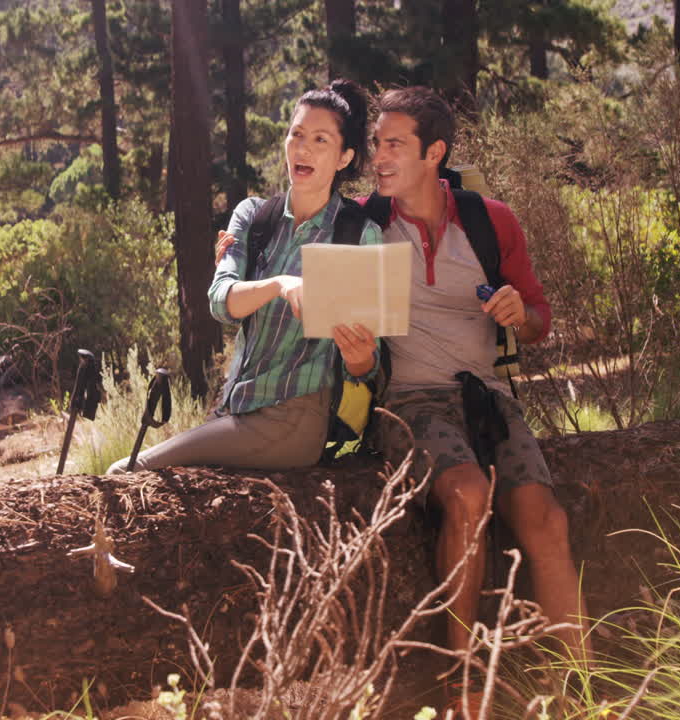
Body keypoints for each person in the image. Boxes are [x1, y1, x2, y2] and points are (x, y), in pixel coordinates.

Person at [365, 87, 589, 706]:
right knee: (466, 493)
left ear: (434, 151)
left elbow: (539, 316)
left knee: (547, 520)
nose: (377, 157)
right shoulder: (361, 223)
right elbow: (295, 248)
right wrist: (236, 247)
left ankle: (584, 690)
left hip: (487, 397)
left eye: (392, 144)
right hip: (407, 400)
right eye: (374, 144)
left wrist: (521, 315)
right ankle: (463, 688)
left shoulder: (491, 221)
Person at [106, 79, 382, 474]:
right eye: (296, 134)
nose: (303, 148)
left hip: (295, 420)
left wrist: (360, 357)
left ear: (343, 157)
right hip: (232, 409)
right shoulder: (254, 216)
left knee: (129, 470)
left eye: (321, 140)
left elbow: (368, 367)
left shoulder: (358, 235)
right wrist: (279, 284)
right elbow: (221, 302)